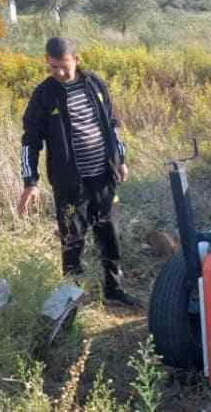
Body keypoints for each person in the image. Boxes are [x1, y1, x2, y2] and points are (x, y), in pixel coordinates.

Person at [16, 37, 140, 307]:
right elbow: (30, 141)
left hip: (103, 178)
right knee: (72, 241)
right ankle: (71, 301)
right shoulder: (44, 95)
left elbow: (112, 124)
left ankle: (114, 291)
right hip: (70, 185)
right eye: (52, 67)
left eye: (63, 66)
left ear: (77, 60)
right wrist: (30, 182)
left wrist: (120, 158)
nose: (59, 73)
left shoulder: (95, 85)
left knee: (110, 235)